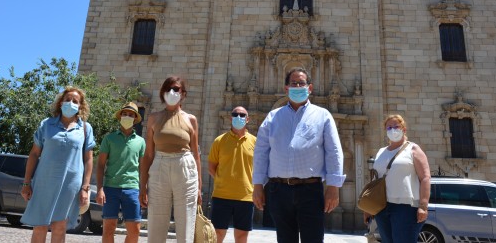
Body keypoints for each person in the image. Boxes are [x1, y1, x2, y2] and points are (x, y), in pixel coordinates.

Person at [252, 67, 345, 243]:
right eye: (293, 83)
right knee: (285, 239)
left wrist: (333, 186)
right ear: (286, 88)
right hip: (279, 189)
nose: (297, 86)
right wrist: (258, 185)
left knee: (313, 239)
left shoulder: (322, 115)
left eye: (301, 83)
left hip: (310, 189)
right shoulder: (272, 117)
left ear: (310, 88)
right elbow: (261, 153)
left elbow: (334, 151)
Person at [21, 86, 95, 243]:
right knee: (39, 226)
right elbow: (34, 154)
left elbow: (88, 159)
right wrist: (27, 182)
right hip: (44, 182)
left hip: (70, 184)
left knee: (60, 226)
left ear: (80, 106)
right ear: (60, 103)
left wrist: (85, 187)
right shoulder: (46, 125)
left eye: (75, 101)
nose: (70, 103)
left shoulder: (85, 128)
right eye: (67, 99)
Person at [139, 76, 201, 243]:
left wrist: (199, 188)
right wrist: (143, 186)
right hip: (160, 166)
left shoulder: (191, 120)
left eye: (176, 89)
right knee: (156, 223)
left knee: (186, 222)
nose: (171, 92)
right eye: (168, 89)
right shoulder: (154, 117)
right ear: (162, 93)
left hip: (185, 167)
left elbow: (196, 154)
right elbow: (148, 154)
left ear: (183, 94)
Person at [364, 114, 431, 243]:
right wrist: (368, 207)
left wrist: (423, 206)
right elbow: (375, 180)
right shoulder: (381, 152)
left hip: (405, 208)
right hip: (381, 207)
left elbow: (425, 178)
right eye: (389, 127)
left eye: (396, 126)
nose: (393, 130)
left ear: (404, 129)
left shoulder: (413, 149)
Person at [96, 102, 146, 243]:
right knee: (108, 228)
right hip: (110, 188)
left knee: (135, 230)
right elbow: (100, 165)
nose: (127, 116)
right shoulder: (109, 138)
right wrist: (100, 189)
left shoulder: (141, 142)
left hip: (132, 189)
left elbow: (143, 168)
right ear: (120, 117)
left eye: (131, 115)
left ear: (135, 119)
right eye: (125, 114)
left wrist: (144, 189)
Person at [208, 106, 256, 243]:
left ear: (248, 119)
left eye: (242, 115)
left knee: (241, 236)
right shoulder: (219, 141)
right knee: (217, 233)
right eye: (235, 114)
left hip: (245, 197)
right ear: (230, 118)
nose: (238, 117)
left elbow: (259, 168)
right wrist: (223, 180)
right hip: (221, 195)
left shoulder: (255, 142)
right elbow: (211, 167)